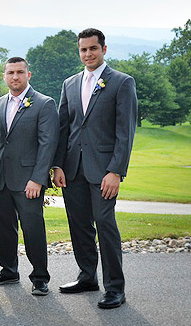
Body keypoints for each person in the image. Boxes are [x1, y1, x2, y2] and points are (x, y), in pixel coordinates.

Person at [52, 28, 137, 309]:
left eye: (93, 49)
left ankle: (115, 288)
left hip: (104, 171)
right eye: (83, 50)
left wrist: (116, 171)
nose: (88, 54)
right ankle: (87, 276)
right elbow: (63, 128)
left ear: (104, 49)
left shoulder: (122, 83)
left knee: (104, 224)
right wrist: (57, 165)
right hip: (72, 169)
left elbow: (125, 132)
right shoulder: (69, 84)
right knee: (79, 225)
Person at [0, 57, 58, 296]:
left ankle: (40, 277)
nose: (14, 77)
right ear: (4, 76)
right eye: (10, 73)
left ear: (29, 75)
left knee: (32, 228)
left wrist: (38, 178)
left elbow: (47, 144)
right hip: (0, 178)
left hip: (29, 180)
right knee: (3, 228)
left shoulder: (43, 104)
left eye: (19, 72)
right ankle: (8, 270)